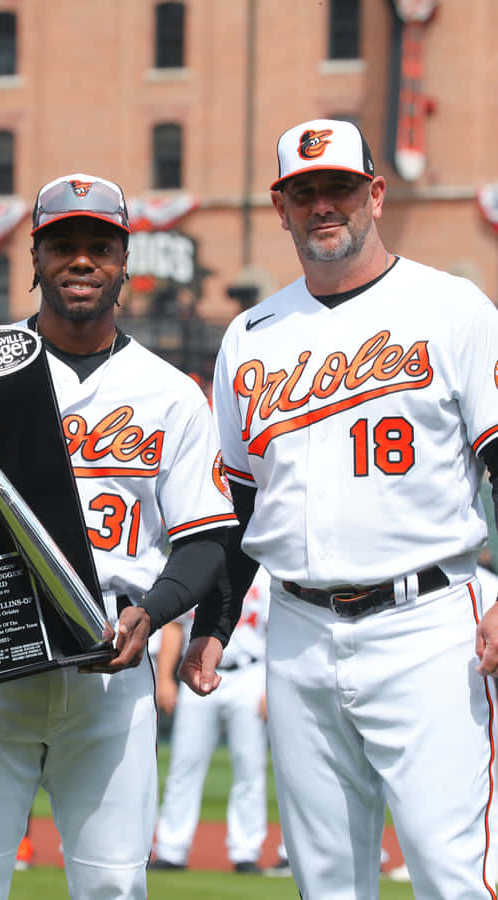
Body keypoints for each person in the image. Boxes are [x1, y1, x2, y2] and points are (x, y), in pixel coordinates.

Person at [0, 173, 238, 900]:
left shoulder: (170, 391)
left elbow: (206, 539)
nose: (81, 260)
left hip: (110, 660)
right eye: (62, 245)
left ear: (124, 262)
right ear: (35, 259)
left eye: (99, 246)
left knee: (114, 887)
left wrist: (155, 609)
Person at [179, 118, 498, 898]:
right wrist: (216, 626)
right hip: (297, 630)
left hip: (427, 623)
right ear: (281, 207)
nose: (326, 206)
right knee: (325, 881)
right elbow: (241, 505)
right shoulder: (250, 337)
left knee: (451, 871)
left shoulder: (453, 307)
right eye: (306, 192)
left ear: (376, 195)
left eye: (341, 190)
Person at [151, 567, 270, 874]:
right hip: (196, 669)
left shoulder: (265, 572)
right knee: (184, 763)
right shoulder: (200, 563)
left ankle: (246, 851)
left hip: (251, 673)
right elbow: (174, 627)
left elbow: (279, 630)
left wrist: (272, 685)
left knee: (250, 765)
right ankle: (171, 849)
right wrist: (164, 678)